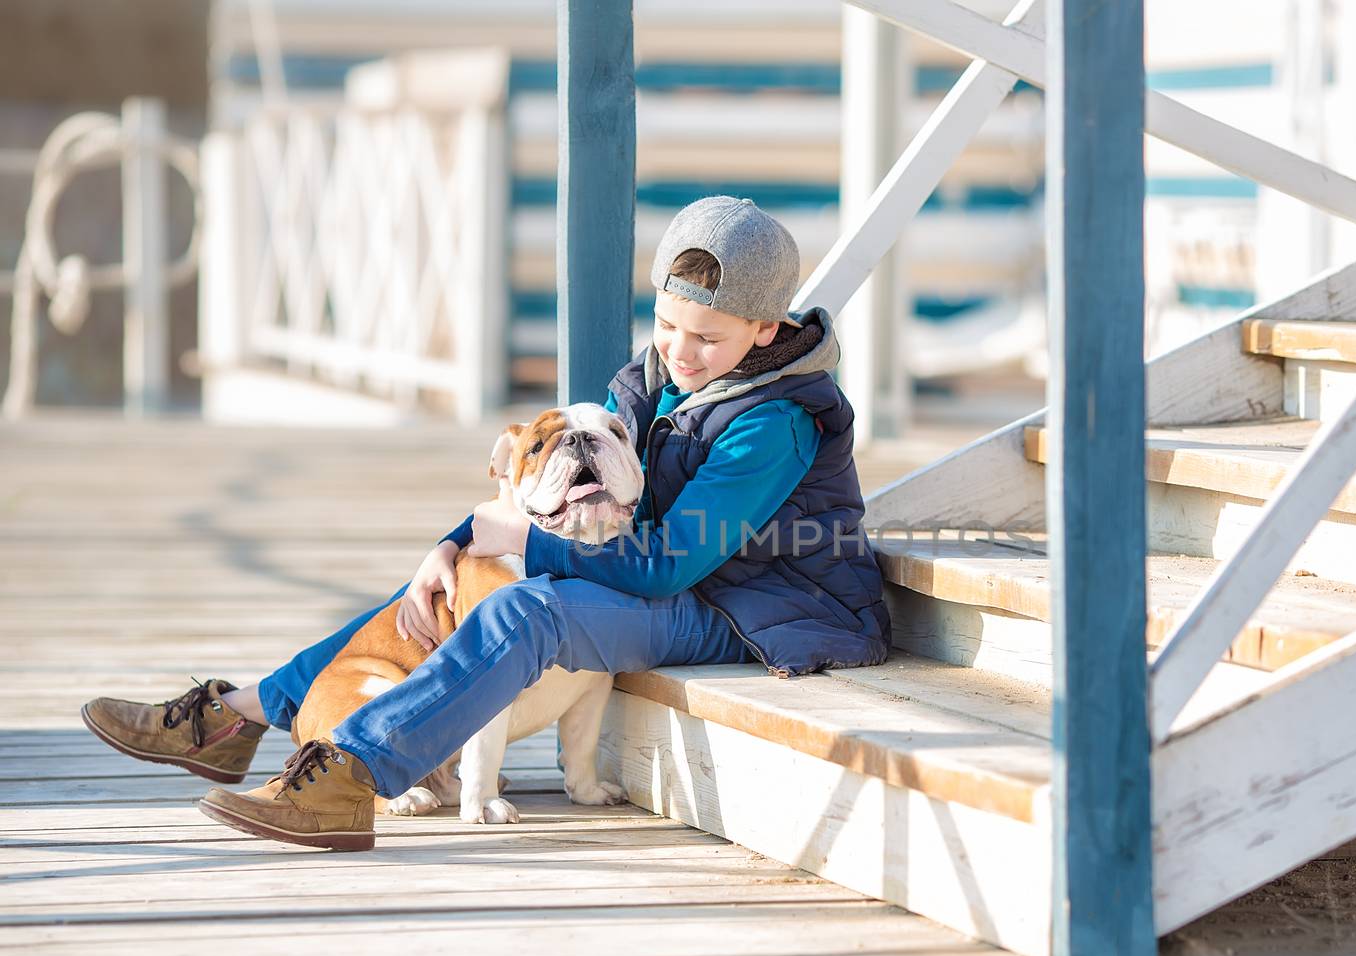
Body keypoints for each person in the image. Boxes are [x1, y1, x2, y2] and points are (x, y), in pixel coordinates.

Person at [80, 196, 891, 851]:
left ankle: (351, 773)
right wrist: (454, 543)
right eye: (668, 324)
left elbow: (670, 565)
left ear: (768, 329)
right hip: (670, 576)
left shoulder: (775, 422)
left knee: (524, 607)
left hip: (749, 610)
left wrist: (523, 546)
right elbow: (549, 496)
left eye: (708, 338)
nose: (681, 350)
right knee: (429, 594)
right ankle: (236, 714)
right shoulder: (652, 384)